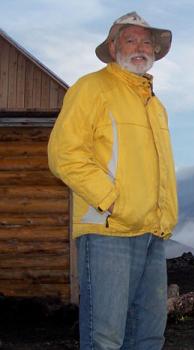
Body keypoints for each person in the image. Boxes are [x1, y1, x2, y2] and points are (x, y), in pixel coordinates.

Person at [48, 11, 178, 350]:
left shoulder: (156, 106)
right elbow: (64, 153)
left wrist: (163, 217)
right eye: (130, 39)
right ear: (113, 46)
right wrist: (112, 200)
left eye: (146, 41)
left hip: (152, 232)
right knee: (105, 339)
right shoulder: (91, 88)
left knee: (149, 336)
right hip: (108, 231)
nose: (140, 47)